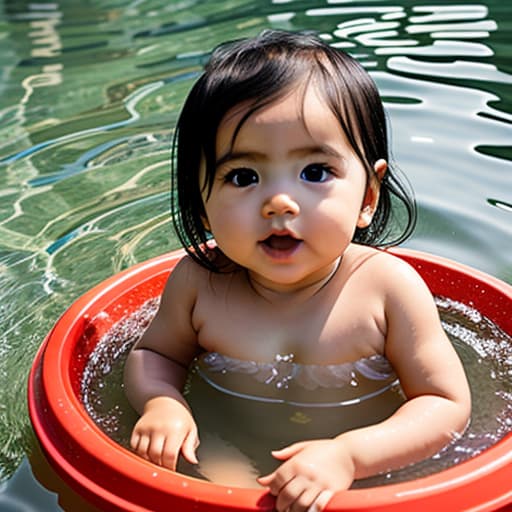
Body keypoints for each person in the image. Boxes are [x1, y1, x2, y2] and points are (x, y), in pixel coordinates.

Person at [124, 29, 471, 512]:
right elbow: (154, 354)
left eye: (315, 172)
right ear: (203, 208)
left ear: (368, 198)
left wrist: (350, 456)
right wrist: (162, 403)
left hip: (368, 469)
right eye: (243, 177)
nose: (279, 202)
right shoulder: (199, 283)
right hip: (226, 442)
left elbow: (444, 404)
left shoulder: (386, 288)